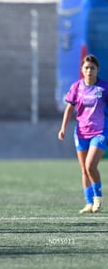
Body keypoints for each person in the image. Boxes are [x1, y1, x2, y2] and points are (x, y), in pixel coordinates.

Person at [58, 54, 108, 214]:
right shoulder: (76, 87)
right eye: (86, 68)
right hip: (81, 133)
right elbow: (69, 108)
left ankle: (98, 199)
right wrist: (63, 128)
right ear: (82, 69)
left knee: (90, 165)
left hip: (100, 132)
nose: (89, 70)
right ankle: (88, 203)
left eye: (92, 68)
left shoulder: (104, 88)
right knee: (84, 169)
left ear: (97, 70)